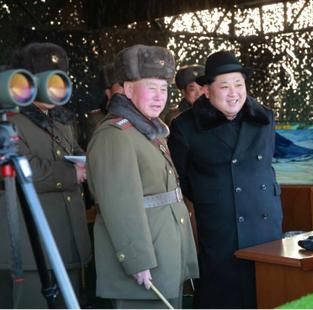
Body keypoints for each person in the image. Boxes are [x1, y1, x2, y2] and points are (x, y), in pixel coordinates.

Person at [168, 50, 283, 308]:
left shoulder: (264, 118)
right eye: (225, 86)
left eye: (239, 84)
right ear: (207, 91)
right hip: (221, 226)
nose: (234, 93)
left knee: (267, 290)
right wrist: (215, 197)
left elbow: (265, 167)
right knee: (225, 293)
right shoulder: (186, 126)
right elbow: (181, 177)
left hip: (265, 222)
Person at [86, 44, 198, 309]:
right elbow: (119, 205)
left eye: (164, 89)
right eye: (151, 88)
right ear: (126, 89)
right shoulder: (115, 135)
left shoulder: (149, 130)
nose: (160, 97)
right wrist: (137, 260)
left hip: (166, 252)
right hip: (146, 262)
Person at [0, 42, 92, 308]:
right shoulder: (10, 121)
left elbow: (76, 153)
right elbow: (22, 171)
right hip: (30, 250)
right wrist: (72, 173)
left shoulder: (61, 120)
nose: (56, 87)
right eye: (49, 80)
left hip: (67, 243)